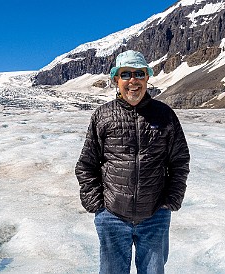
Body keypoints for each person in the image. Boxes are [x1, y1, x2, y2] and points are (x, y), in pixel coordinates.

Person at [75, 50, 190, 274]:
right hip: (112, 216)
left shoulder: (165, 115)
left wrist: (171, 201)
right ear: (116, 79)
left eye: (139, 73)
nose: (133, 81)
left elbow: (179, 161)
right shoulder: (103, 116)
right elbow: (86, 164)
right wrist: (97, 205)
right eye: (126, 74)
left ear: (147, 77)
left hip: (155, 216)